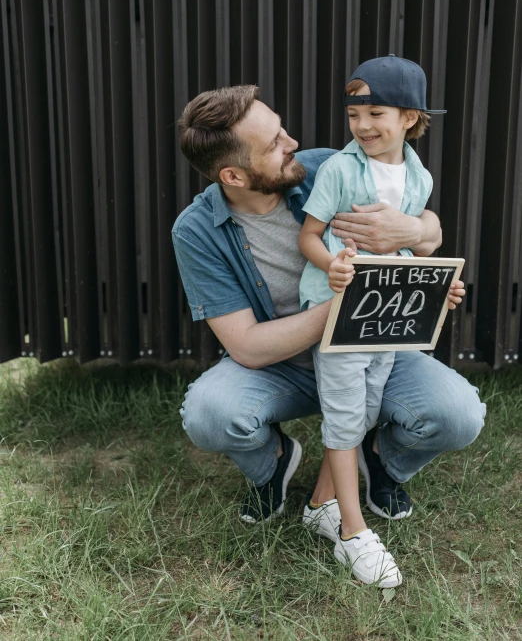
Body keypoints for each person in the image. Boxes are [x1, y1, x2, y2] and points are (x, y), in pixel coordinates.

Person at [172, 83, 485, 578]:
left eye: (281, 129)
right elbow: (248, 348)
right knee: (210, 415)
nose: (292, 142)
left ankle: (378, 459)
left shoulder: (326, 167)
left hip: (372, 346)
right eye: (274, 143)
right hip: (283, 366)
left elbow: (429, 223)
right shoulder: (196, 230)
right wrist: (350, 302)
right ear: (233, 174)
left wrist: (414, 241)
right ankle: (273, 465)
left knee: (458, 414)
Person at [297, 55, 446, 586]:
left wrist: (435, 288)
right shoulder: (340, 169)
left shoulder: (418, 176)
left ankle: (320, 503)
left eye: (375, 113)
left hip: (386, 319)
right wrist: (332, 264)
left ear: (409, 117)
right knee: (343, 416)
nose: (362, 126)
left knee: (362, 411)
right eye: (353, 115)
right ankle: (353, 532)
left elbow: (409, 254)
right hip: (342, 315)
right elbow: (309, 236)